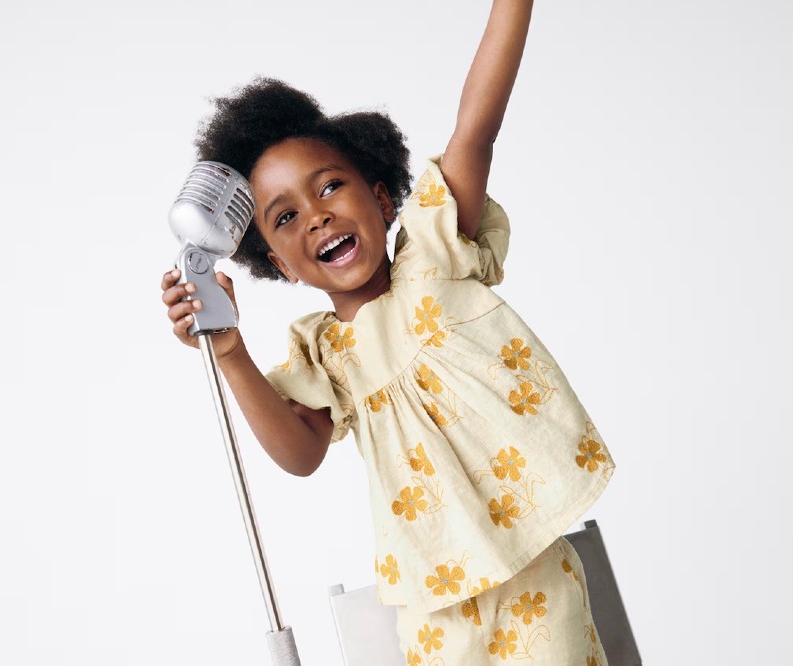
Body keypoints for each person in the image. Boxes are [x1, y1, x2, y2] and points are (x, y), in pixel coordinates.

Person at [160, 1, 615, 662]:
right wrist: (231, 353)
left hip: (529, 573)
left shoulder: (434, 258)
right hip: (434, 602)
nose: (316, 217)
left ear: (380, 198)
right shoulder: (329, 355)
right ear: (278, 265)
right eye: (284, 219)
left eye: (331, 187)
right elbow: (299, 454)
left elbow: (475, 128)